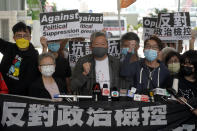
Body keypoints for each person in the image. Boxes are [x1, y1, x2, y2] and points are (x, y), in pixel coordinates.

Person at [0, 22, 39, 95]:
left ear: (30, 38)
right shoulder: (9, 48)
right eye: (19, 36)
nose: (22, 38)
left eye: (25, 36)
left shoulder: (34, 55)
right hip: (3, 93)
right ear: (14, 38)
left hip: (21, 98)